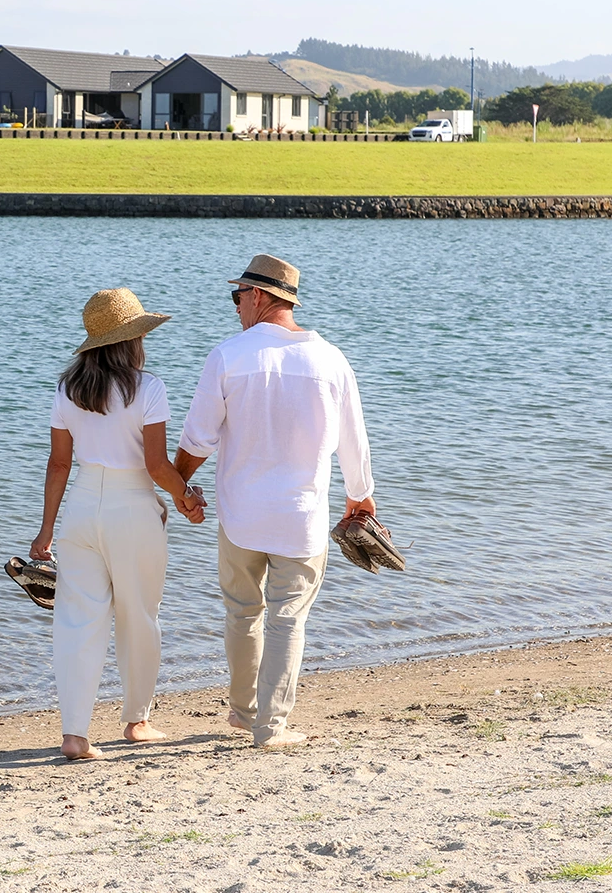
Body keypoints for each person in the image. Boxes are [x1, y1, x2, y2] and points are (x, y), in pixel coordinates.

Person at [173, 254, 375, 749]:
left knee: (243, 612)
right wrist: (360, 499)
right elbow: (354, 440)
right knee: (288, 617)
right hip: (301, 516)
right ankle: (271, 725)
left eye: (238, 296)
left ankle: (244, 713)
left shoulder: (228, 355)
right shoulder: (329, 358)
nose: (236, 306)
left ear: (260, 297)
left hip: (240, 513)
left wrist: (177, 486)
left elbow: (197, 439)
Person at [32, 288, 205, 761]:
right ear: (133, 339)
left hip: (81, 510)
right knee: (139, 616)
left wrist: (45, 531)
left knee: (76, 621)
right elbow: (155, 465)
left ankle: (74, 734)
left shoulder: (68, 389)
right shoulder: (147, 388)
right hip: (133, 510)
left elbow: (58, 464)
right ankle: (137, 721)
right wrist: (186, 497)